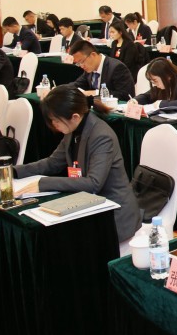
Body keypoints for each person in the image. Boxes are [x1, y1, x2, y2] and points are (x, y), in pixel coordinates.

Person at [15, 84, 141, 241]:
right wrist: (15, 171)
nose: (54, 125)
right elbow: (52, 163)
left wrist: (44, 183)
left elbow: (93, 183)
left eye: (55, 120)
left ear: (75, 116)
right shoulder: (74, 129)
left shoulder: (101, 136)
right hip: (88, 206)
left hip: (113, 215)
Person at [69, 39, 136, 100]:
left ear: (93, 55)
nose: (81, 66)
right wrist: (63, 89)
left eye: (82, 61)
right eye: (78, 64)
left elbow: (125, 95)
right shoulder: (89, 69)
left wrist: (96, 93)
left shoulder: (117, 67)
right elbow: (77, 84)